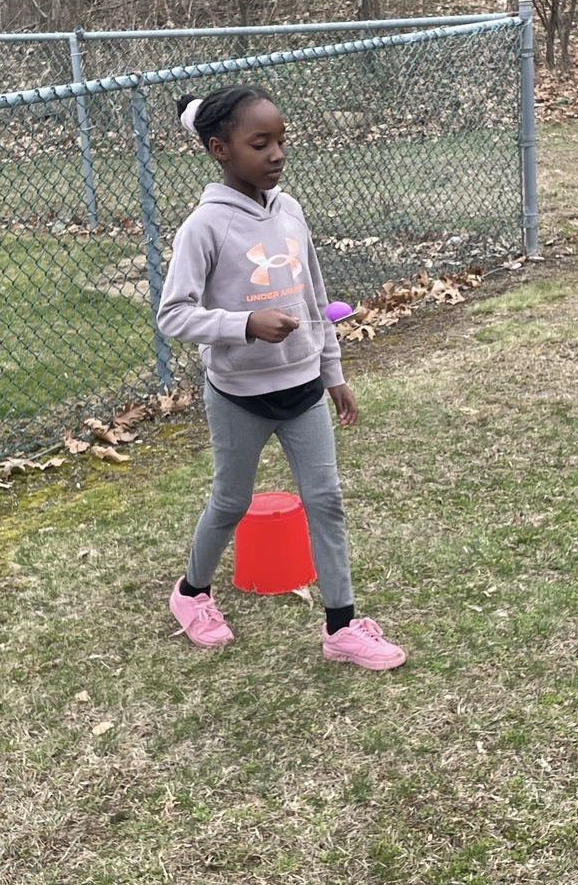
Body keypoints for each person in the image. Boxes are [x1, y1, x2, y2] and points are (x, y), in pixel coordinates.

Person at [156, 84, 406, 671]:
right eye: (259, 143)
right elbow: (173, 313)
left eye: (281, 141)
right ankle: (191, 593)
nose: (276, 154)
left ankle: (342, 626)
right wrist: (244, 324)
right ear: (219, 149)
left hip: (303, 392)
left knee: (326, 501)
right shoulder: (204, 227)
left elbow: (313, 296)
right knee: (230, 500)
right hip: (239, 396)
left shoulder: (289, 210)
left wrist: (332, 369)